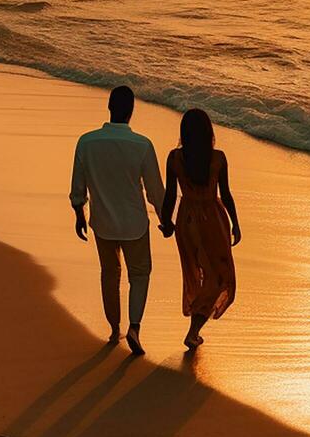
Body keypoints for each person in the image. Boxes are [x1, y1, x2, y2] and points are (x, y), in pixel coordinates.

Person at [70, 86, 165, 355]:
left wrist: (79, 213)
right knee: (140, 274)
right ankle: (134, 327)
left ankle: (114, 328)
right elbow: (155, 191)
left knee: (110, 274)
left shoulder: (86, 142)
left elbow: (79, 186)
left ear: (109, 107)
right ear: (131, 111)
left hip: (103, 222)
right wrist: (165, 220)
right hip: (134, 223)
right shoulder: (142, 145)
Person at [160, 108, 240, 350]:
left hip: (187, 220)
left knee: (196, 272)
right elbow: (225, 194)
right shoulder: (218, 159)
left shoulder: (175, 158)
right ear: (208, 132)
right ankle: (193, 331)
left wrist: (166, 222)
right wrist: (236, 222)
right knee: (220, 276)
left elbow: (171, 196)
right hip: (212, 220)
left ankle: (194, 327)